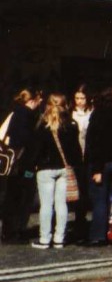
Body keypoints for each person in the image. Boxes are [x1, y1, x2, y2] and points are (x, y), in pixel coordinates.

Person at [27, 92, 83, 248]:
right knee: (61, 204)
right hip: (64, 168)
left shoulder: (42, 124)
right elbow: (75, 150)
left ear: (48, 105)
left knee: (46, 205)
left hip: (45, 169)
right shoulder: (71, 124)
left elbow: (35, 150)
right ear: (66, 105)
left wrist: (30, 168)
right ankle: (59, 238)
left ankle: (45, 239)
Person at [1, 89, 43, 242]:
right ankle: (16, 230)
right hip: (24, 163)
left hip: (15, 163)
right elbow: (27, 140)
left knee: (12, 196)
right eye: (39, 99)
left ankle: (9, 230)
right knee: (23, 196)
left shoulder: (16, 112)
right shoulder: (27, 115)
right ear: (33, 100)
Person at [84, 87, 112, 246]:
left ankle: (98, 235)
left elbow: (96, 144)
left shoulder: (98, 115)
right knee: (110, 198)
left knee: (99, 200)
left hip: (101, 163)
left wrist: (97, 169)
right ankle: (110, 230)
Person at [69, 86, 94, 243]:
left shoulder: (92, 113)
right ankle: (78, 217)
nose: (79, 101)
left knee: (85, 189)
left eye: (82, 98)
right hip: (75, 156)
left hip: (87, 155)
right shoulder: (70, 114)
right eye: (77, 98)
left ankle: (81, 217)